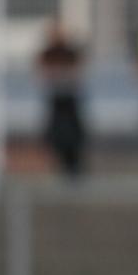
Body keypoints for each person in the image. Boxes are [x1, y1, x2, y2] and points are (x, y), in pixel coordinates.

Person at [37, 20, 85, 176]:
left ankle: (73, 166)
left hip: (70, 101)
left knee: (72, 135)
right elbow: (42, 73)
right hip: (55, 101)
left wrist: (61, 75)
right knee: (56, 135)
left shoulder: (71, 52)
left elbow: (78, 72)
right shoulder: (48, 53)